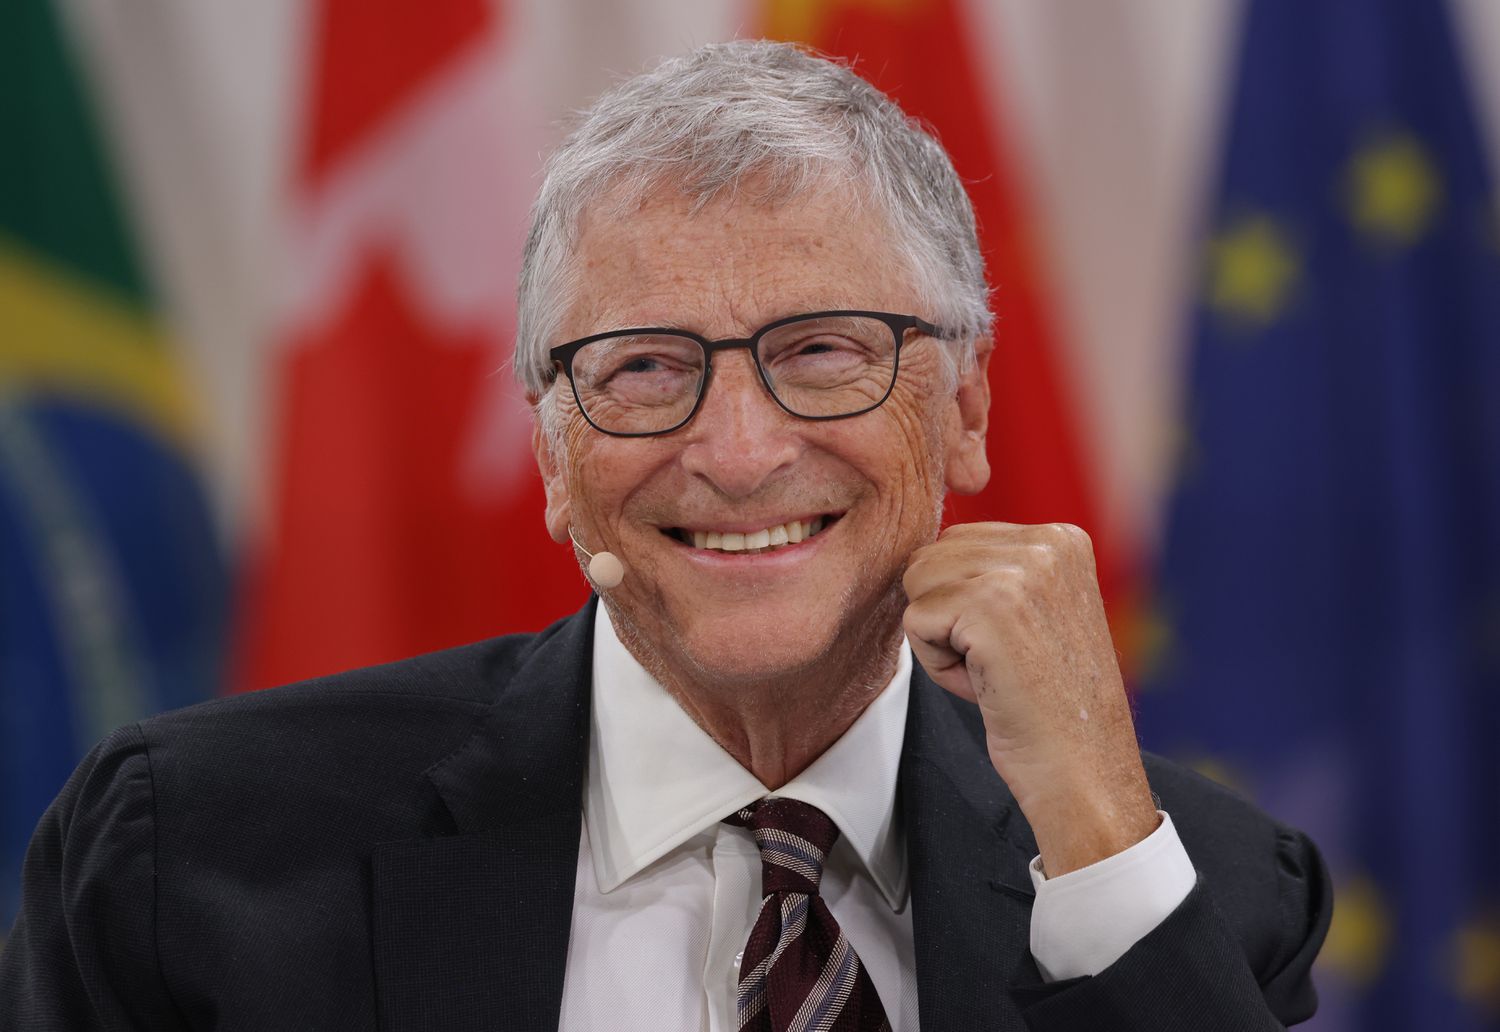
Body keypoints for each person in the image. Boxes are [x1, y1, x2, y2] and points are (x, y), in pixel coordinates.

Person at [0, 40, 1330, 1031]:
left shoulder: (1195, 891)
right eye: (643, 367)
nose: (739, 453)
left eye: (822, 351)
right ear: (550, 450)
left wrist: (1099, 843)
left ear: (967, 407)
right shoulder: (195, 856)